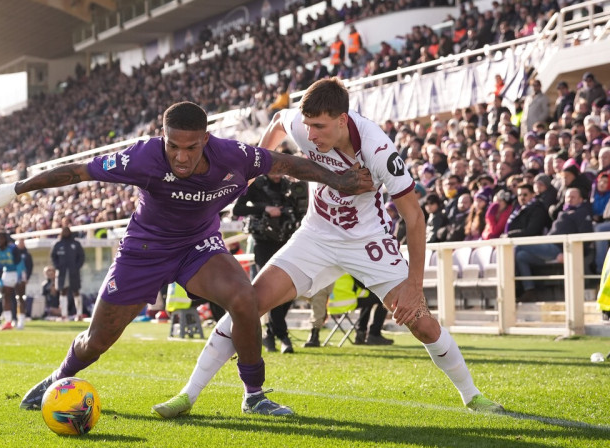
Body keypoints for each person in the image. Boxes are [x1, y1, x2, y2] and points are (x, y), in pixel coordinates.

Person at [0, 101, 373, 416]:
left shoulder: (234, 156)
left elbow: (287, 164)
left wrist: (339, 179)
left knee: (244, 298)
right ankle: (59, 378)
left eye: (191, 147)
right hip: (144, 251)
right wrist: (16, 188)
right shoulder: (141, 157)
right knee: (97, 341)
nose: (181, 157)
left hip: (198, 246)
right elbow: (78, 172)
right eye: (173, 147)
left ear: (206, 140)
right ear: (162, 139)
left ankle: (254, 394)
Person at [152, 80, 504, 419]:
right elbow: (277, 120)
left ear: (342, 120)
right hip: (315, 236)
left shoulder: (378, 148)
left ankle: (472, 396)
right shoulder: (305, 125)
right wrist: (252, 174)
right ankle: (189, 394)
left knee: (422, 324)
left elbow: (414, 217)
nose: (310, 135)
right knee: (248, 305)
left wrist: (413, 287)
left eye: (319, 127)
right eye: (308, 127)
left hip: (368, 241)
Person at [233, 173, 306, 354]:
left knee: (288, 289)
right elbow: (238, 209)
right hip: (263, 242)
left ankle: (271, 334)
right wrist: (265, 208)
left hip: (286, 240)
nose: (277, 174)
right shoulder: (256, 184)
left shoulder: (289, 185)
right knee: (271, 289)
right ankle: (283, 336)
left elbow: (300, 210)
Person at [515, 187, 594, 300]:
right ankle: (529, 289)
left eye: (573, 197)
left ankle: (512, 286)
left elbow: (586, 237)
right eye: (567, 197)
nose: (570, 199)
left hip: (558, 248)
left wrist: (569, 253)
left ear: (581, 199)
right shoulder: (562, 212)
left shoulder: (582, 213)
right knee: (520, 256)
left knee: (519, 245)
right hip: (548, 245)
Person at [51, 222, 85, 320]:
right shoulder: (57, 244)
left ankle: (79, 314)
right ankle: (64, 315)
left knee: (76, 291)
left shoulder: (75, 244)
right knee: (63, 292)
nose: (65, 233)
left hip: (73, 272)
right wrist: (57, 266)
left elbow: (81, 257)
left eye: (67, 231)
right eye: (64, 231)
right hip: (62, 272)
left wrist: (76, 267)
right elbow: (53, 257)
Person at [0, 231, 25, 330]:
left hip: (18, 271)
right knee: (6, 296)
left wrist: (19, 277)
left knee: (20, 297)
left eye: (1, 238)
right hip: (7, 272)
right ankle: (8, 321)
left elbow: (19, 262)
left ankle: (21, 321)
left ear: (5, 239)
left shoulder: (13, 248)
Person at [16, 238, 34, 321]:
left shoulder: (27, 255)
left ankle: (23, 314)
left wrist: (27, 277)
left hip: (23, 278)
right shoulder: (14, 254)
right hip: (14, 277)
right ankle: (15, 314)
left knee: (21, 296)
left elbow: (30, 267)